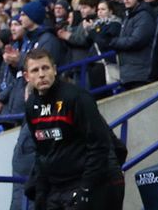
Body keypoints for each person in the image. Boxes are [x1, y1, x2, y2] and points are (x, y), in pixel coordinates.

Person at [24, 49, 124, 209]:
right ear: (27, 76)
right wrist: (41, 192)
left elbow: (100, 145)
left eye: (46, 68)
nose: (41, 74)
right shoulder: (31, 106)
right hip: (57, 186)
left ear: (54, 70)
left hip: (90, 181)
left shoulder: (76, 97)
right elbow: (42, 151)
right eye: (35, 70)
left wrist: (86, 188)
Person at [93, 0, 155, 90]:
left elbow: (136, 40)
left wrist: (112, 42)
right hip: (128, 73)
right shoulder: (128, 17)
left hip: (140, 73)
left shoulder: (144, 16)